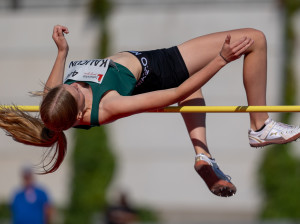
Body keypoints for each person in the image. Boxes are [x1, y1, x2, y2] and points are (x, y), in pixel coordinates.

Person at [1, 25, 300, 198]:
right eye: (76, 90)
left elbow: (52, 89)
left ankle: (203, 157)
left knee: (192, 88)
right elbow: (175, 93)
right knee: (256, 39)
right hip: (158, 67)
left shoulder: (57, 107)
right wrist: (221, 59)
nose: (75, 84)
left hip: (149, 68)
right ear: (80, 114)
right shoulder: (107, 105)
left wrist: (62, 50)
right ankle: (260, 126)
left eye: (69, 86)